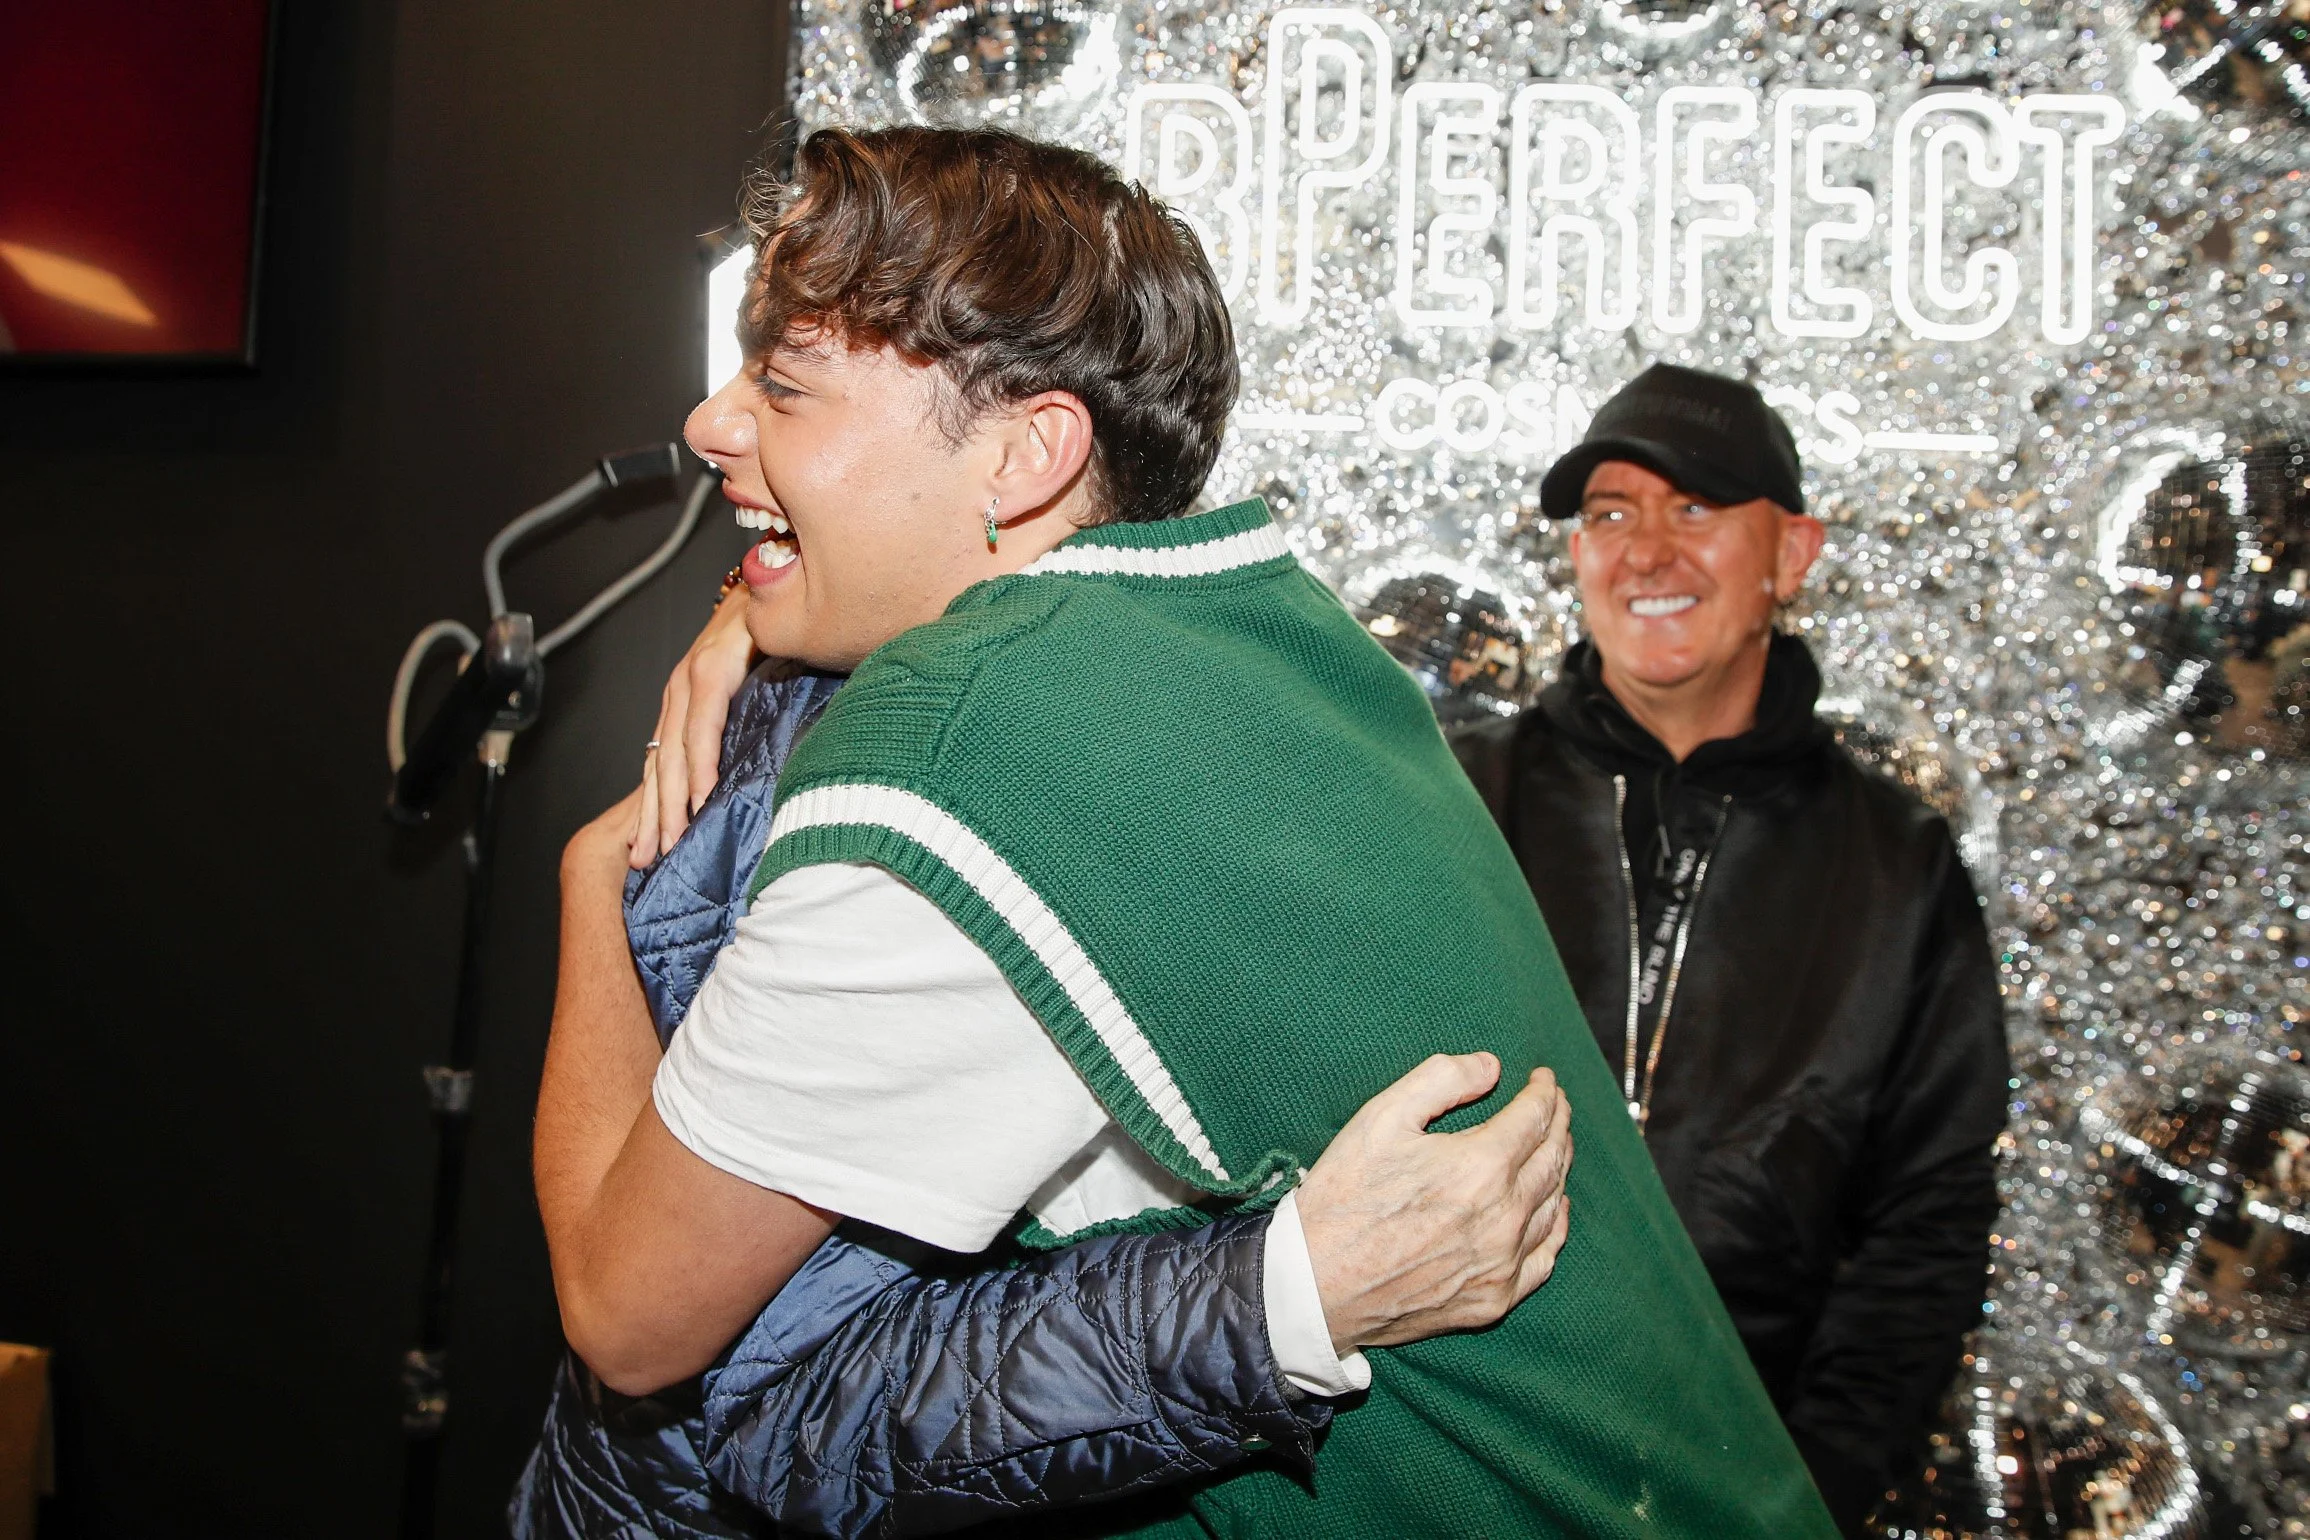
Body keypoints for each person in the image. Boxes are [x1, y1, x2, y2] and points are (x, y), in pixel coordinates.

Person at [533, 125, 1834, 1537]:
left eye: (785, 385)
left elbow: (627, 1317)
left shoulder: (948, 758)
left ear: (1028, 453)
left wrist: (593, 876)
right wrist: (765, 606)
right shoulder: (1257, 629)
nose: (714, 424)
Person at [1451, 364, 2012, 1532]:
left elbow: (1928, 1223)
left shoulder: (1894, 863)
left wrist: (1803, 1497)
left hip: (1747, 1487)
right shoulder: (1455, 801)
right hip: (1452, 1470)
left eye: (1694, 509)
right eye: (1609, 513)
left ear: (1790, 556)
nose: (1645, 552)